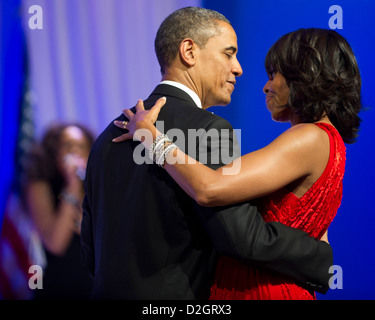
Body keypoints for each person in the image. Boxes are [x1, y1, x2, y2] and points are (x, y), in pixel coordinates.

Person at [81, 7, 333, 300]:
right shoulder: (209, 129)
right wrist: (318, 257)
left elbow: (90, 248)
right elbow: (241, 238)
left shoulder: (106, 137)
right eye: (229, 53)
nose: (238, 67)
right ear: (189, 51)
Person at [23, 123, 94, 299]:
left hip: (93, 285)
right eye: (68, 146)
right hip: (57, 285)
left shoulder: (96, 186)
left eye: (81, 146)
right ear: (54, 152)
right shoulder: (40, 185)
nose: (75, 151)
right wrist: (72, 186)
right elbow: (55, 244)